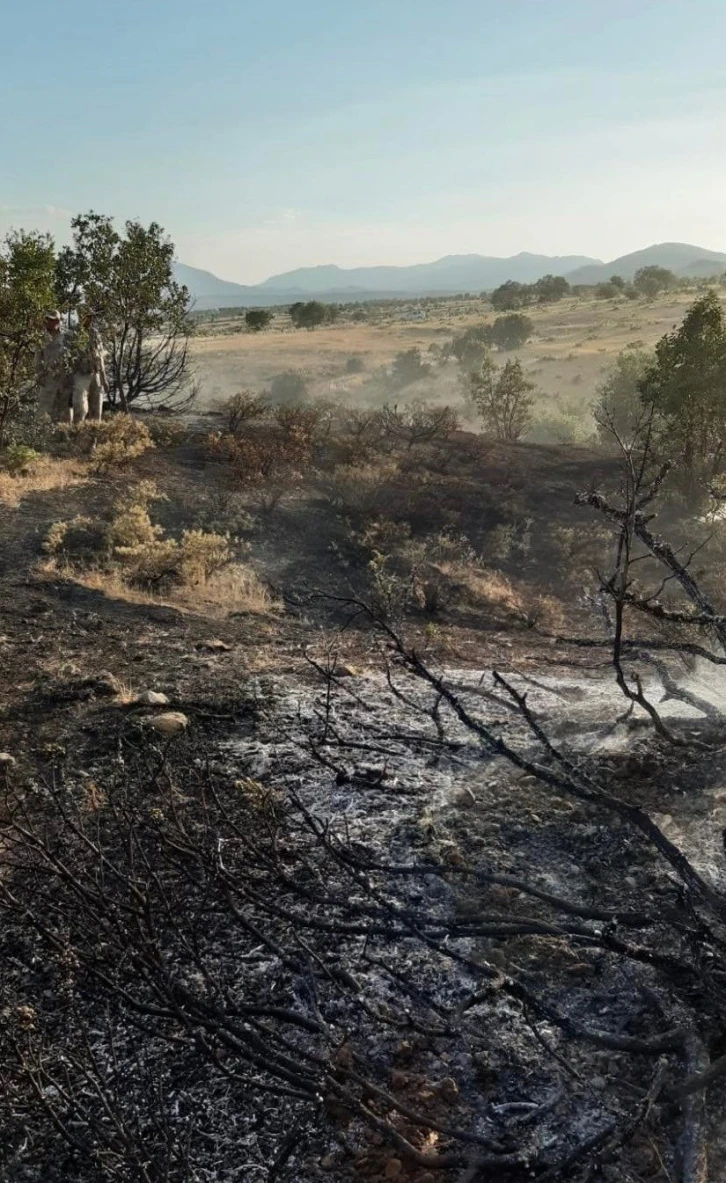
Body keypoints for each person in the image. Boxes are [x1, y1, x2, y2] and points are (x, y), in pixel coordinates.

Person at [68, 309, 109, 423]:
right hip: (80, 374)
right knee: (80, 409)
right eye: (87, 316)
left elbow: (100, 355)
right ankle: (77, 435)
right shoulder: (73, 334)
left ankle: (93, 438)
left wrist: (103, 378)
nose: (89, 319)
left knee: (97, 410)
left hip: (95, 373)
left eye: (91, 317)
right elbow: (68, 357)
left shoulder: (95, 333)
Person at [35, 309, 72, 423]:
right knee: (44, 408)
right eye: (49, 320)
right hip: (48, 378)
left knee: (65, 409)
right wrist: (40, 375)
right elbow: (37, 357)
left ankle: (65, 436)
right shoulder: (42, 337)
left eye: (53, 320)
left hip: (63, 378)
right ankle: (42, 436)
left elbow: (72, 357)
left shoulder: (66, 337)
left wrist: (69, 377)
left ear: (58, 321)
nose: (51, 322)